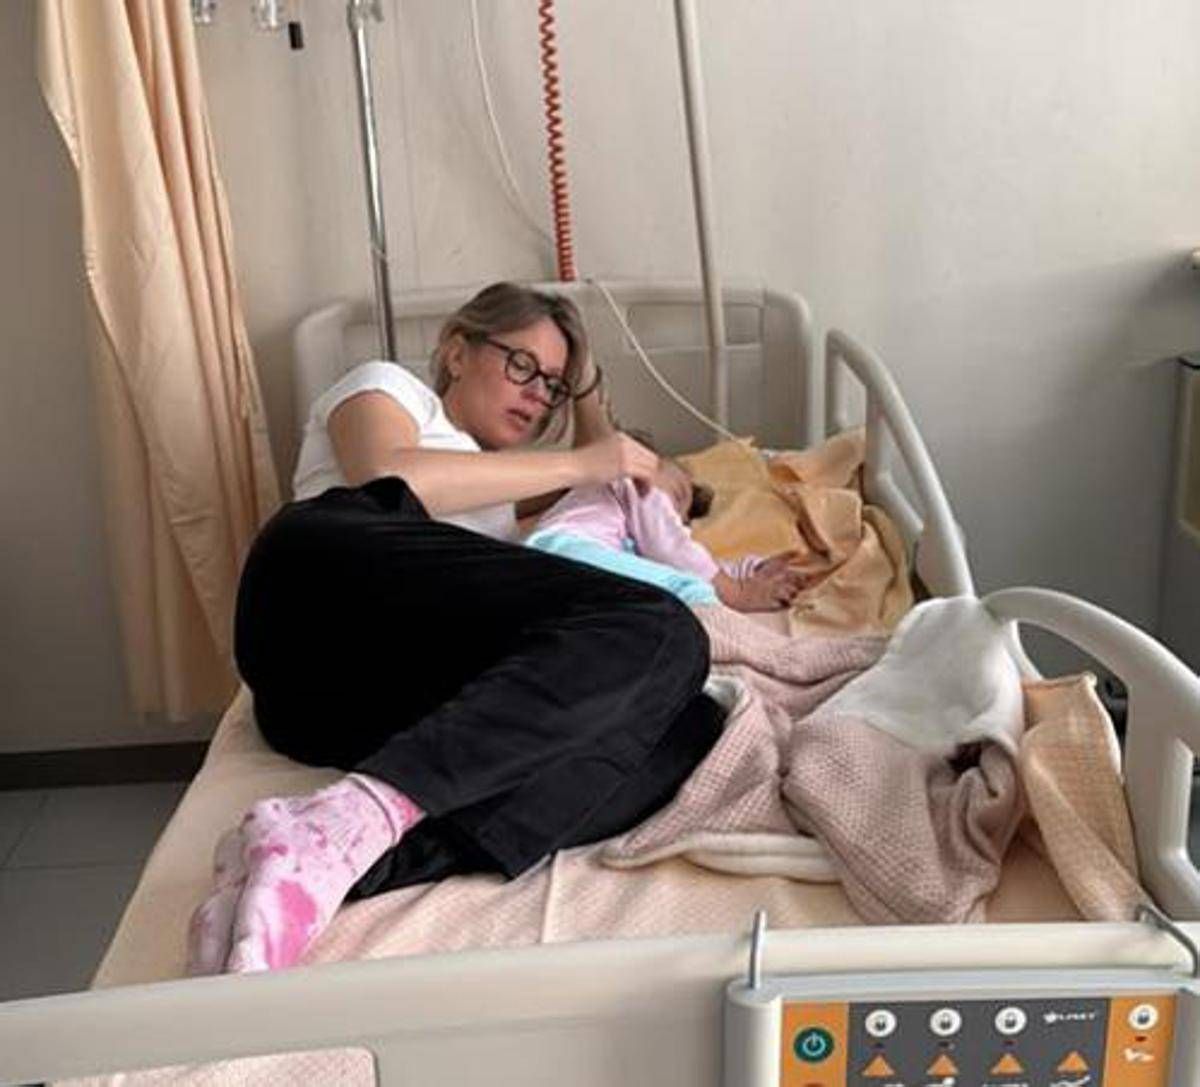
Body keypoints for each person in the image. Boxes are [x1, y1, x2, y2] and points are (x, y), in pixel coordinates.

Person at [187, 282, 730, 975]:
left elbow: (608, 469)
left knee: (685, 727)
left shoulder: (509, 498)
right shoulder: (388, 388)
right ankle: (351, 827)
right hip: (317, 596)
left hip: (379, 702)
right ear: (455, 351)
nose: (538, 396)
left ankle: (330, 859)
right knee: (665, 630)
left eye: (554, 387)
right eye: (522, 365)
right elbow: (387, 473)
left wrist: (588, 393)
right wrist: (580, 462)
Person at [525, 448, 806, 611]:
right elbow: (674, 552)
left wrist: (750, 570)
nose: (675, 519)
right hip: (563, 550)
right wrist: (738, 592)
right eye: (679, 495)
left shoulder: (630, 534)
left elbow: (678, 562)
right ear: (642, 458)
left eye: (682, 521)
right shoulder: (632, 480)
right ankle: (751, 648)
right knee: (692, 593)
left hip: (553, 572)